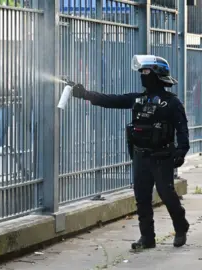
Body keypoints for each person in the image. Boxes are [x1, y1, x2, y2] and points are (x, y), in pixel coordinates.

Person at [71, 55, 190, 249]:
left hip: (161, 156)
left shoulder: (172, 103)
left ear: (157, 75)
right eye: (141, 73)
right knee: (142, 197)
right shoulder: (138, 99)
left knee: (166, 194)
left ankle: (180, 226)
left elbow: (182, 129)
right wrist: (85, 94)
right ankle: (147, 237)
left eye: (146, 72)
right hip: (141, 155)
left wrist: (181, 151)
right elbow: (111, 100)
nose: (143, 76)